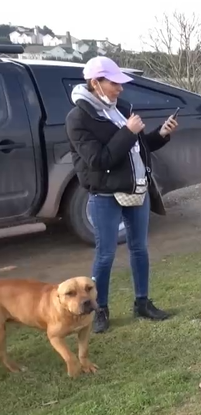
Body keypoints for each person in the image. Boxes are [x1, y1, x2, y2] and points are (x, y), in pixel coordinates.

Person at [65, 56, 177, 333]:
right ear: (96, 83)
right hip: (105, 195)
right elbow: (99, 160)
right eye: (114, 83)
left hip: (136, 189)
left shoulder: (122, 108)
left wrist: (161, 134)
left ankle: (142, 302)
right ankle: (99, 308)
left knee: (139, 248)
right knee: (105, 254)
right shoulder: (78, 118)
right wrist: (128, 132)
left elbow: (138, 147)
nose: (120, 89)